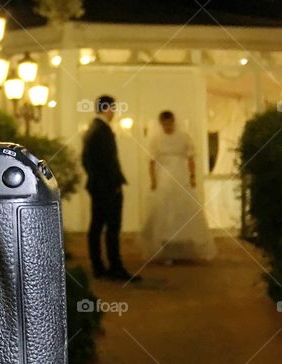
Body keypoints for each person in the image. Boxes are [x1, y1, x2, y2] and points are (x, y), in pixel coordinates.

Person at [141, 111, 216, 262]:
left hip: (181, 176)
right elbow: (151, 160)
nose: (167, 127)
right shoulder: (156, 138)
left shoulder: (184, 136)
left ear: (174, 122)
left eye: (170, 123)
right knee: (164, 211)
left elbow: (191, 158)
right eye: (164, 124)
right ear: (161, 123)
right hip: (163, 176)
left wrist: (192, 176)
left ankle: (186, 249)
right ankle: (165, 250)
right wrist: (153, 180)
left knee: (184, 210)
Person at [81, 95, 141, 281]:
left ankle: (98, 265)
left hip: (97, 185)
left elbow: (86, 160)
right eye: (113, 109)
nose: (114, 112)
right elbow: (109, 162)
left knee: (97, 225)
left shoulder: (92, 129)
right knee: (112, 227)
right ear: (107, 108)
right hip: (107, 187)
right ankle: (115, 266)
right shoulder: (103, 131)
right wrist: (113, 184)